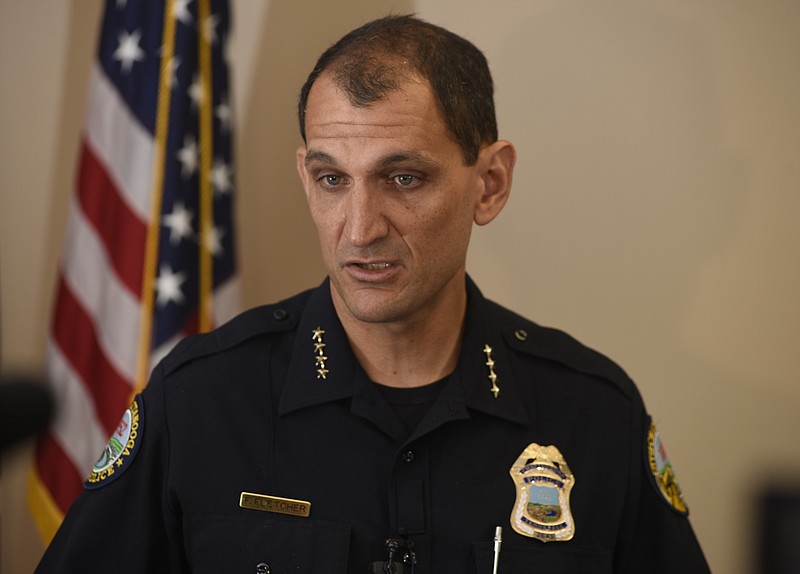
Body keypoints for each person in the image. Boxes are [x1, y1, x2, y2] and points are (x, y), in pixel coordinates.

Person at [37, 15, 710, 573]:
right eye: (333, 180)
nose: (359, 229)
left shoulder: (593, 415)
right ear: (307, 177)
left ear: (491, 183)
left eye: (404, 179)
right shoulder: (201, 401)